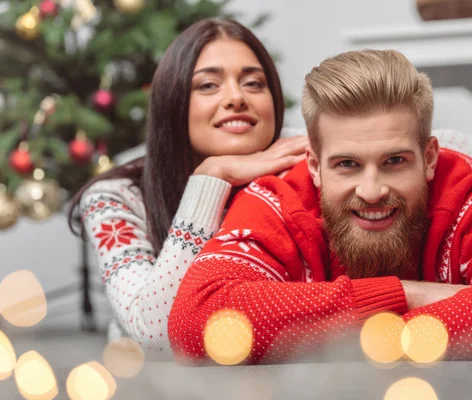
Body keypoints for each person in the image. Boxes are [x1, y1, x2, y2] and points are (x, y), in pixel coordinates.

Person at [168, 49, 472, 363]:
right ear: (314, 165)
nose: (371, 190)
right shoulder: (276, 199)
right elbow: (196, 319)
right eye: (347, 165)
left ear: (430, 158)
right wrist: (407, 294)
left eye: (394, 161)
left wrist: (335, 330)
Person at [68, 19, 308, 355]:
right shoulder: (114, 197)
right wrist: (212, 178)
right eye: (208, 85)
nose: (237, 97)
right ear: (173, 102)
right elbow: (154, 336)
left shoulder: (304, 165)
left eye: (254, 83)